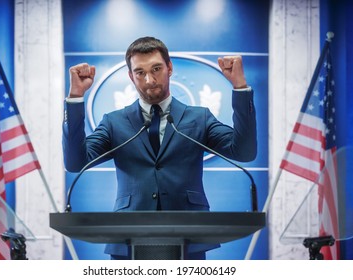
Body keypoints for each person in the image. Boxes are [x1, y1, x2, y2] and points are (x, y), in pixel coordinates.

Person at [62, 36, 257, 260]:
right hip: (128, 239)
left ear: (170, 68)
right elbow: (76, 162)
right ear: (130, 76)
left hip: (188, 239)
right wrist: (75, 97)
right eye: (140, 72)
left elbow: (244, 152)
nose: (149, 80)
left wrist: (240, 87)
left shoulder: (199, 118)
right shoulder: (113, 122)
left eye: (156, 69)